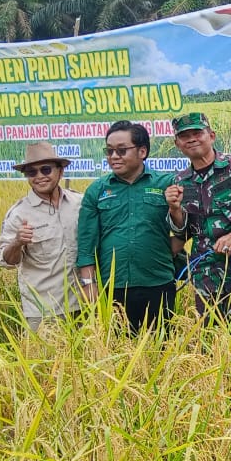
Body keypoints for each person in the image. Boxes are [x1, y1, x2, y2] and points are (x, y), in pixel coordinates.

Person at [76, 120, 176, 332]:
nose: (113, 157)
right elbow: (86, 244)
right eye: (109, 151)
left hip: (157, 282)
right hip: (113, 285)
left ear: (142, 151)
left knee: (160, 349)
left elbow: (183, 229)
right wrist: (88, 284)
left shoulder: (166, 183)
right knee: (117, 353)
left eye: (121, 151)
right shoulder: (97, 190)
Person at [164, 112, 231, 318]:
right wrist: (174, 209)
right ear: (177, 144)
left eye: (197, 133)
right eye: (184, 136)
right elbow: (184, 231)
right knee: (210, 335)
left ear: (212, 136)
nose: (191, 139)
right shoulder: (180, 181)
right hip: (205, 271)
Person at [0, 142, 83, 328]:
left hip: (84, 304)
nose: (39, 177)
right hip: (44, 311)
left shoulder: (80, 203)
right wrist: (17, 242)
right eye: (32, 172)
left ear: (61, 171)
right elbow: (4, 261)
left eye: (45, 170)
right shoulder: (19, 214)